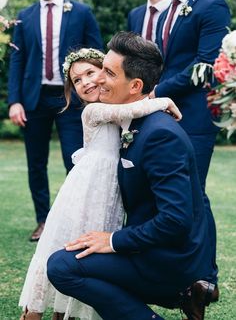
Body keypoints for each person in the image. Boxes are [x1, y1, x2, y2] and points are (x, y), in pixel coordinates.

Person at [47, 32, 219, 320]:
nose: (98, 79)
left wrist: (113, 241)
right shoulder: (132, 120)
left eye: (108, 73)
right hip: (151, 250)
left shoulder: (160, 135)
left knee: (62, 267)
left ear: (135, 85)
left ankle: (180, 294)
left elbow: (176, 219)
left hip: (168, 262)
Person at [19, 47, 180, 320]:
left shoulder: (117, 108)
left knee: (86, 253)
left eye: (90, 73)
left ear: (106, 73)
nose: (85, 83)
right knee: (61, 245)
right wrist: (164, 101)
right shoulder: (93, 111)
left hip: (108, 195)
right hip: (83, 192)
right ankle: (32, 313)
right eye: (77, 81)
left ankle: (66, 313)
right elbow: (138, 106)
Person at [149, 0, 231, 286]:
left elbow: (205, 67)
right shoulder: (166, 11)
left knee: (196, 194)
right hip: (166, 115)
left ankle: (207, 278)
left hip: (196, 117)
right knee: (173, 194)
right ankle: (178, 269)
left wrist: (159, 91)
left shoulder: (212, 5)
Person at [8, 0, 103, 242]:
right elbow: (17, 61)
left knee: (75, 161)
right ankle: (43, 221)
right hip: (33, 99)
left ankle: (75, 221)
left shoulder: (82, 12)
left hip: (69, 98)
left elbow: (96, 56)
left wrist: (94, 94)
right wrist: (14, 101)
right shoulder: (24, 17)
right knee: (35, 163)